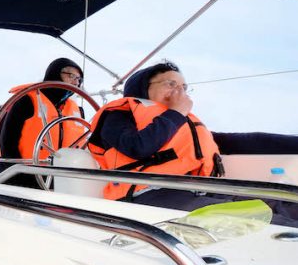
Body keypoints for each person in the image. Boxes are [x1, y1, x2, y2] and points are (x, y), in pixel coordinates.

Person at [87, 60, 298, 225]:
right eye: (171, 84)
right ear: (143, 89)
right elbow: (138, 146)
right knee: (260, 220)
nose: (180, 92)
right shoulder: (119, 115)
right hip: (147, 195)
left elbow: (243, 141)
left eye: (184, 86)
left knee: (279, 203)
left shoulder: (182, 123)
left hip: (195, 189)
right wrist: (177, 112)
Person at [0, 58, 86, 186]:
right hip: (17, 172)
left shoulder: (77, 111)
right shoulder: (27, 100)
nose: (76, 82)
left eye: (79, 79)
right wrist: (18, 172)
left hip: (56, 178)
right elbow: (7, 141)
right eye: (71, 75)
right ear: (54, 73)